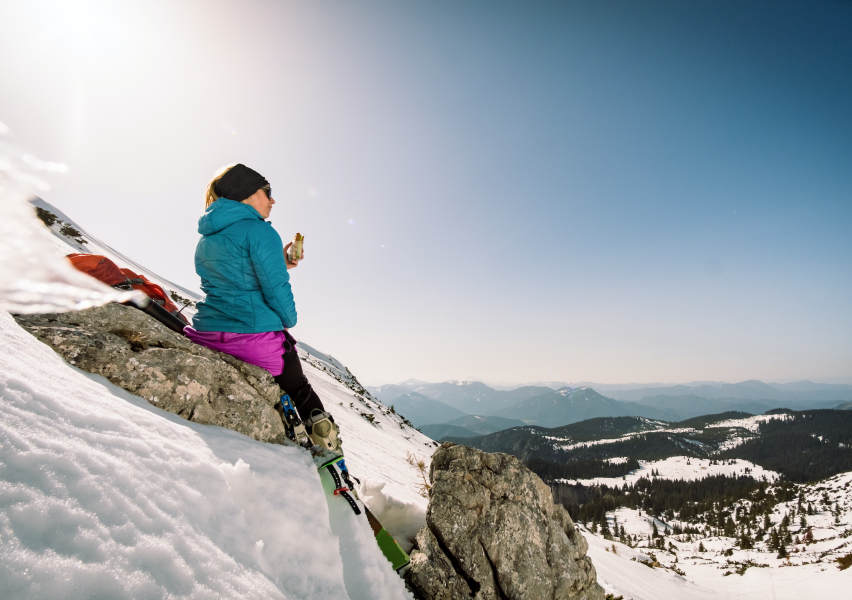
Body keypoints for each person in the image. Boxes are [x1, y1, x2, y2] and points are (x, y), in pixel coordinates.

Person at [184, 163, 338, 449]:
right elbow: (275, 288)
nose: (272, 200)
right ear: (248, 193)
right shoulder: (260, 231)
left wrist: (281, 262)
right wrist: (289, 320)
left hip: (208, 333)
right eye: (267, 192)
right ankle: (330, 450)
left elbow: (237, 277)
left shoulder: (207, 237)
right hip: (252, 340)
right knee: (299, 387)